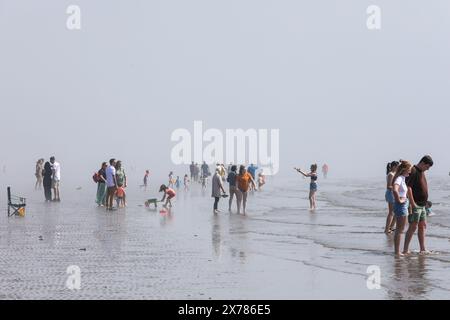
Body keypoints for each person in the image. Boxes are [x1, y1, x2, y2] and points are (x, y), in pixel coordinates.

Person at [403, 155, 434, 255]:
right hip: (415, 204)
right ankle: (405, 249)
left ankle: (423, 249)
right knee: (413, 226)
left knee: (422, 226)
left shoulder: (421, 172)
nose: (428, 169)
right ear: (423, 163)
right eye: (427, 167)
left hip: (422, 205)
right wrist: (412, 204)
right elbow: (408, 188)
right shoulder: (414, 170)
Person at [392, 160, 413, 257]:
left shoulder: (402, 178)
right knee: (399, 230)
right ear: (404, 169)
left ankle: (398, 251)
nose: (410, 171)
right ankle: (397, 252)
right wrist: (399, 200)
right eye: (409, 169)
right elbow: (395, 190)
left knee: (401, 229)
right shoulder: (399, 178)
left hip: (403, 204)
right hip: (400, 205)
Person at [385, 161, 400, 234]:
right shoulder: (390, 174)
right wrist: (396, 188)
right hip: (391, 194)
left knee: (396, 212)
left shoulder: (395, 174)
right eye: (398, 166)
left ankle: (391, 227)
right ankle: (387, 229)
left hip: (394, 193)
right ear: (394, 166)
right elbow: (388, 186)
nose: (399, 168)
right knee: (391, 212)